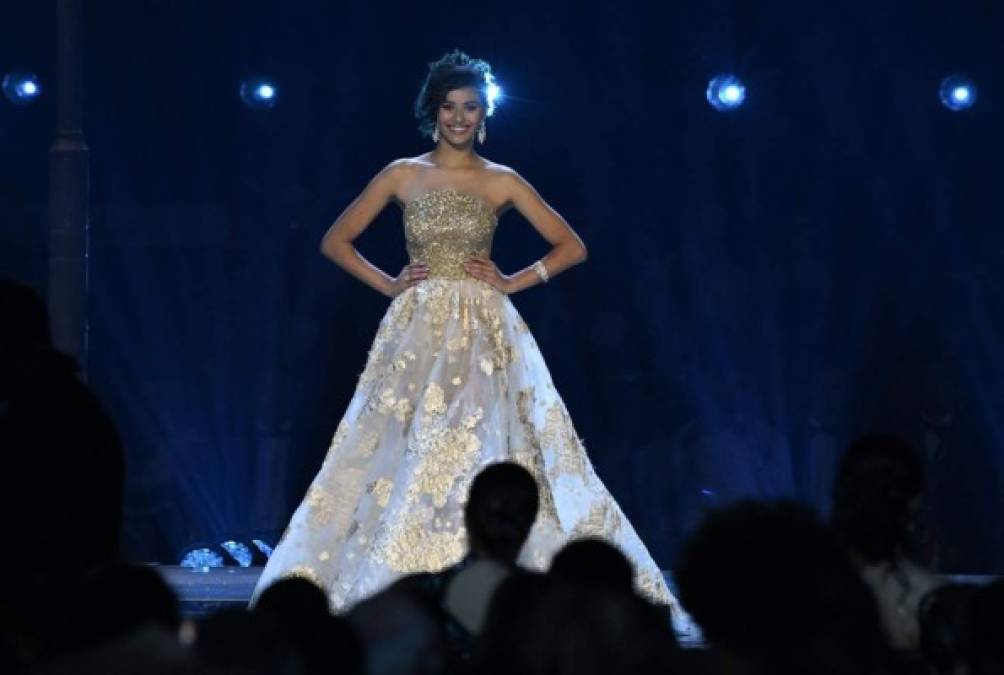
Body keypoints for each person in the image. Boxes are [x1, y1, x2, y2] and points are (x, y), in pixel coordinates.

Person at [252, 49, 675, 612]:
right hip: (416, 329)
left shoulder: (502, 181)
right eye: (449, 106)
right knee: (403, 444)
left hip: (483, 328)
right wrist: (388, 284)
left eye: (469, 107)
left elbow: (573, 246)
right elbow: (335, 241)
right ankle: (409, 565)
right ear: (434, 110)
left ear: (484, 114)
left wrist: (516, 280)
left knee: (484, 441)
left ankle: (482, 571)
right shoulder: (402, 173)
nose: (458, 117)